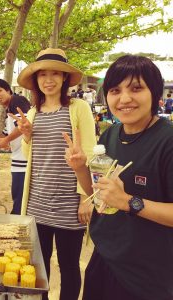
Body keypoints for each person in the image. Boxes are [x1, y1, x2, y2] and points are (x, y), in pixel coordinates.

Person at [64, 55, 173, 300]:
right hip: (104, 257)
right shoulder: (111, 135)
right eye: (115, 90)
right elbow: (98, 192)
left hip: (146, 275)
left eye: (136, 88)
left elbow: (121, 200)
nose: (124, 99)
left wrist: (128, 201)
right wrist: (80, 168)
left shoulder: (167, 141)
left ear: (155, 92)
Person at [12, 48, 97, 300]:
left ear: (64, 78)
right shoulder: (32, 112)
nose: (48, 80)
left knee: (69, 265)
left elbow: (89, 152)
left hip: (69, 202)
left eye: (55, 74)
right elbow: (30, 156)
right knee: (39, 264)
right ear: (36, 80)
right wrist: (27, 134)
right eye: (43, 74)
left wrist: (85, 197)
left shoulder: (78, 108)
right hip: (37, 200)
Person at [0, 78, 31, 215]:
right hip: (18, 159)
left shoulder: (17, 101)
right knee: (17, 196)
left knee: (20, 200)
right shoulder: (7, 110)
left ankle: (16, 226)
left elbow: (23, 126)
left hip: (24, 159)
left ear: (9, 91)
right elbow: (6, 135)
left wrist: (6, 140)